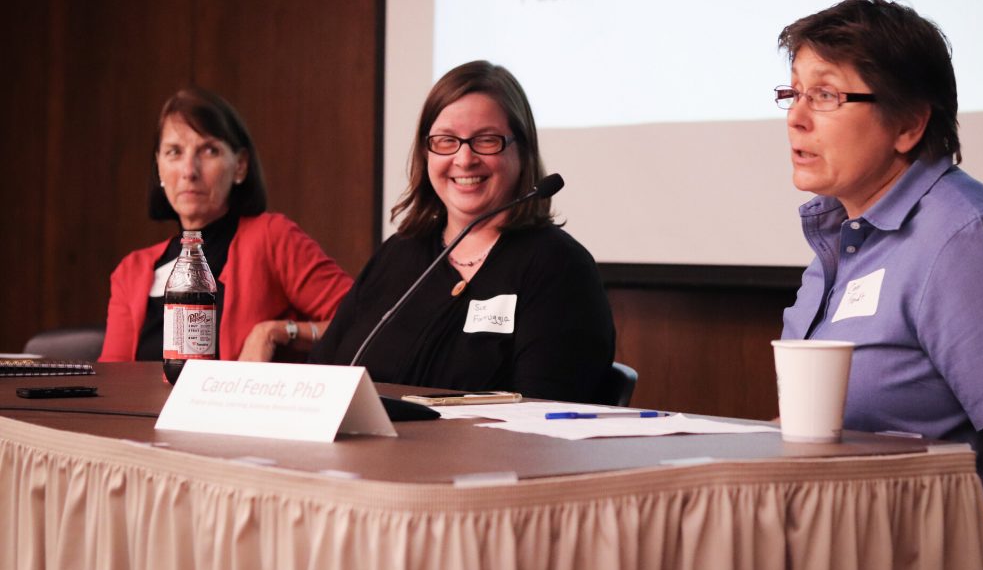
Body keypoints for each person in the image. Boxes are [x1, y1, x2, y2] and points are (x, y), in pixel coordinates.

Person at [776, 0, 983, 570]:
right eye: (792, 93)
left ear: (910, 124)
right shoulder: (844, 239)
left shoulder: (967, 243)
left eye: (827, 95)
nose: (796, 116)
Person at [308, 60, 615, 402]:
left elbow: (545, 417)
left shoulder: (558, 267)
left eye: (486, 140)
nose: (464, 159)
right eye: (445, 141)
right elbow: (324, 376)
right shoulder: (398, 254)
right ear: (426, 152)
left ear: (523, 151)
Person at [100, 86, 352, 363]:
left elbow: (362, 322)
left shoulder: (271, 238)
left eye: (208, 150)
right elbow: (114, 383)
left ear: (240, 166)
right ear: (158, 166)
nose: (189, 171)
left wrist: (275, 332)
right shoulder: (131, 273)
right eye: (174, 152)